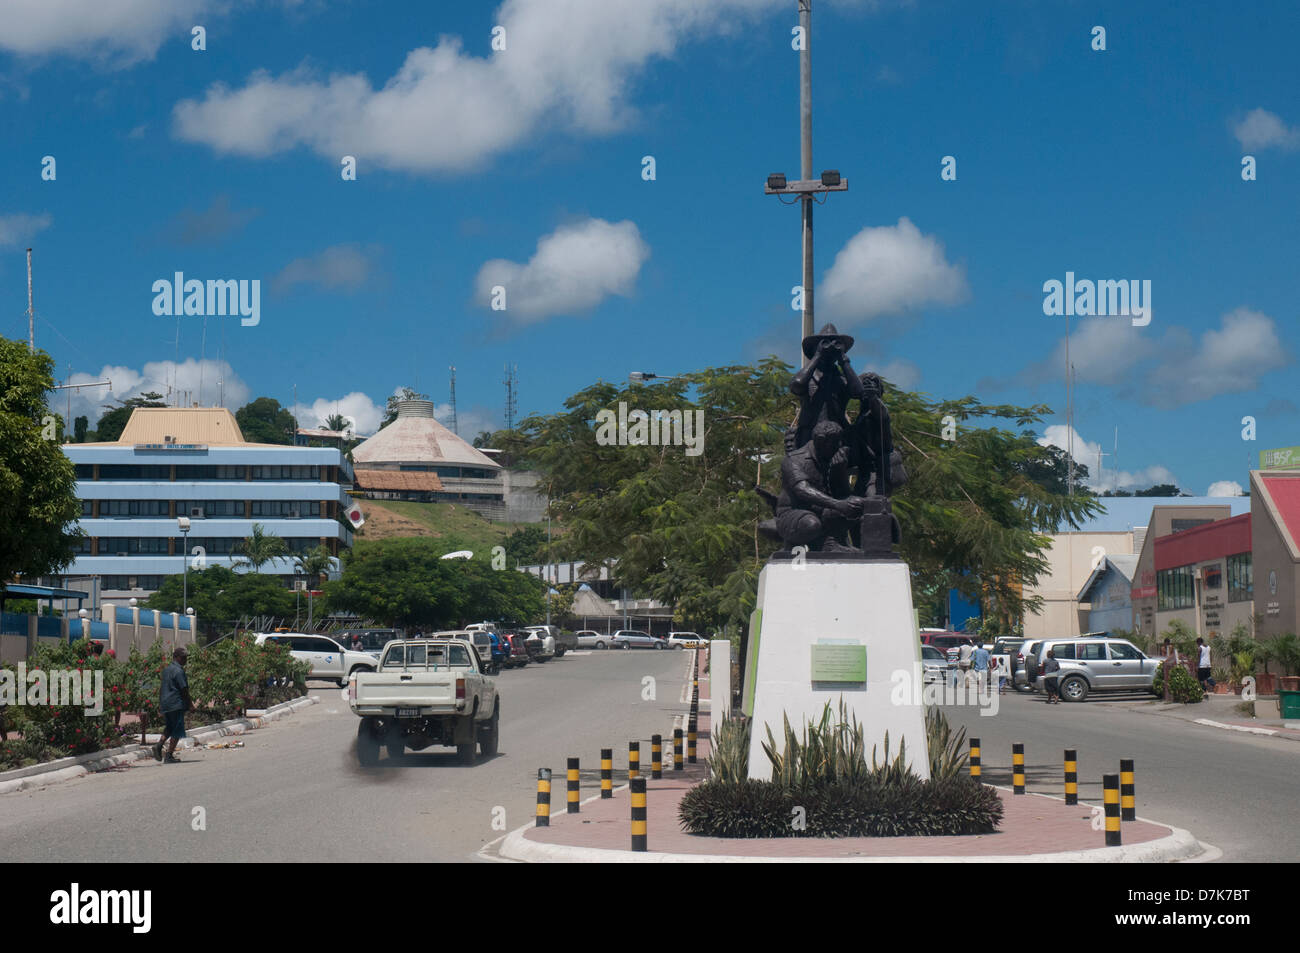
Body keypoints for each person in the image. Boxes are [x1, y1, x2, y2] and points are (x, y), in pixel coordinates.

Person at [153, 647, 192, 763]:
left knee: (169, 727)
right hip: (176, 703)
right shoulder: (179, 671)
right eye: (183, 658)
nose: (185, 660)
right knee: (177, 730)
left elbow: (161, 688)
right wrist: (190, 704)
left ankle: (159, 745)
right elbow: (184, 689)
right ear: (176, 657)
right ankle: (169, 755)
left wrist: (160, 704)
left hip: (166, 703)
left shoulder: (166, 670)